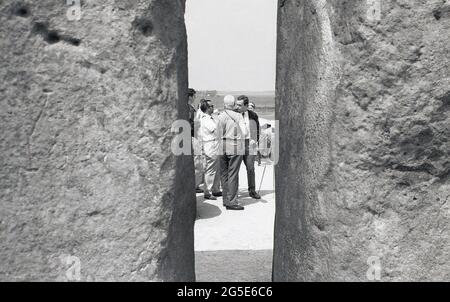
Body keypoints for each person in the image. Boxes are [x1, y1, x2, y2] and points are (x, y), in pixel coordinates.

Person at [217, 95, 248, 211]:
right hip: (235, 145)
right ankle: (232, 201)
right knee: (233, 174)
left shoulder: (220, 116)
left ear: (224, 104)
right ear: (234, 104)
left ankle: (225, 200)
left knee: (224, 174)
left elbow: (218, 133)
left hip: (222, 145)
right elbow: (245, 132)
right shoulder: (238, 116)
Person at [236, 95, 261, 199]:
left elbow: (258, 129)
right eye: (236, 104)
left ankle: (252, 190)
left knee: (250, 168)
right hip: (236, 145)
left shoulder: (253, 115)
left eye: (240, 105)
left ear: (246, 105)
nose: (237, 107)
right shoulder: (233, 114)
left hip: (249, 145)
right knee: (234, 169)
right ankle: (234, 192)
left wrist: (255, 140)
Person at [199, 99, 222, 200]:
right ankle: (207, 191)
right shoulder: (206, 119)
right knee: (211, 169)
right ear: (207, 108)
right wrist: (217, 117)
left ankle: (215, 189)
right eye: (211, 106)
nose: (213, 107)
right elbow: (215, 130)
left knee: (216, 168)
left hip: (215, 143)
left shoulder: (210, 118)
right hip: (210, 144)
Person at [188, 88, 204, 193]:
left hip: (189, 138)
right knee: (198, 164)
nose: (195, 98)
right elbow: (190, 124)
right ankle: (194, 185)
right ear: (190, 97)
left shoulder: (188, 108)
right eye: (194, 96)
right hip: (192, 138)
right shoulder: (189, 109)